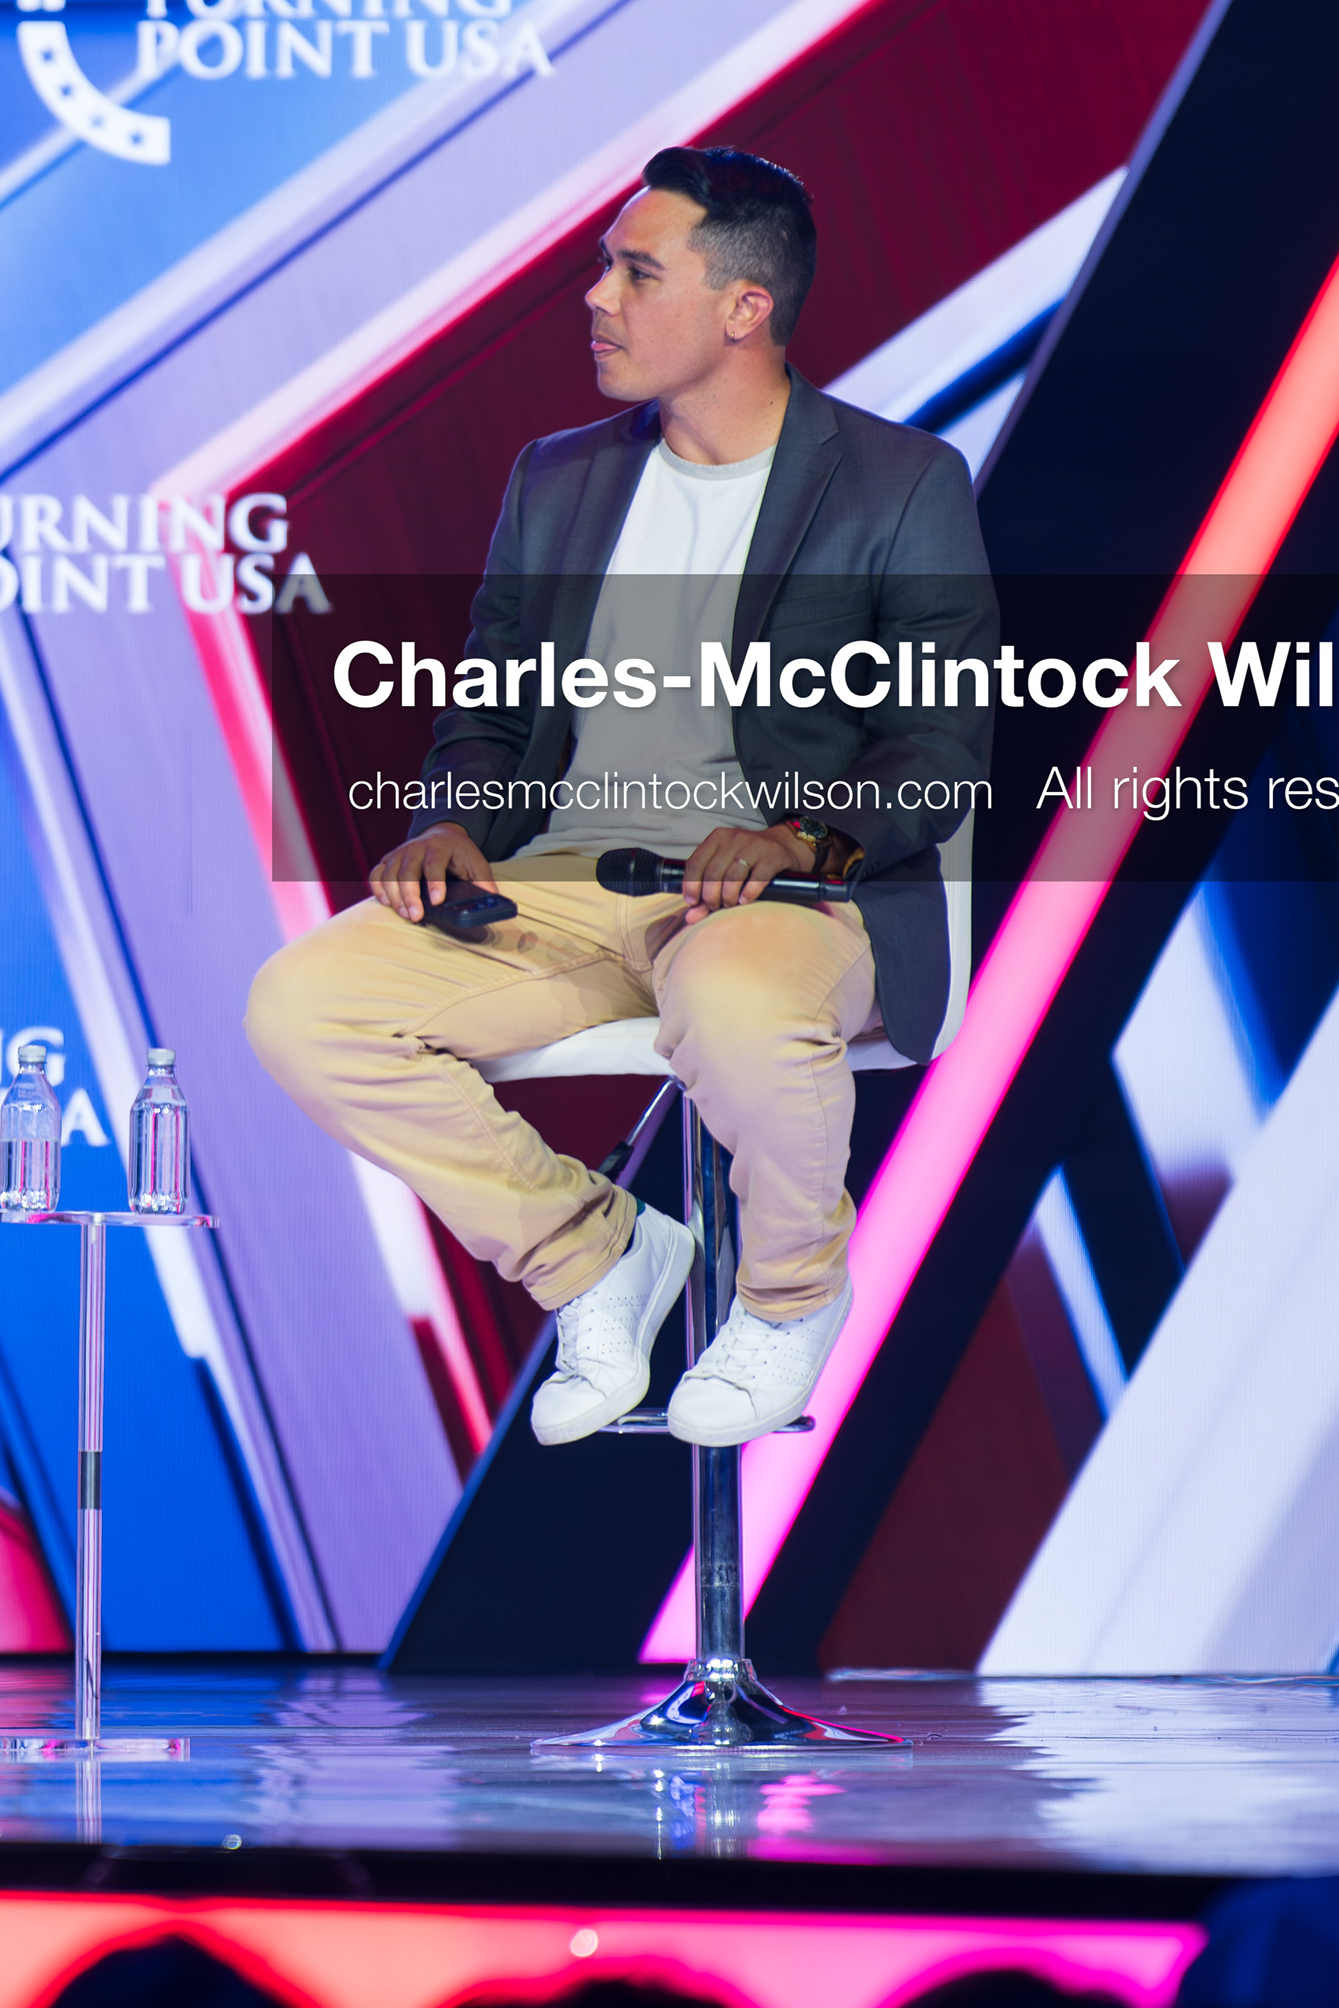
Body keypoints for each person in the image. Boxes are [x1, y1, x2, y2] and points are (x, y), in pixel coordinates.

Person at [245, 148, 997, 1446]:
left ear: (744, 307)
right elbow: (487, 712)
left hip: (804, 891)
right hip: (573, 883)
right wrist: (453, 828)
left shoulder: (899, 482)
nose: (595, 297)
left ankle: (788, 1299)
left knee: (731, 985)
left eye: (635, 272)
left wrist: (796, 837)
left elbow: (941, 749)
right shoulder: (559, 478)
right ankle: (595, 1254)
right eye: (604, 266)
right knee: (308, 1003)